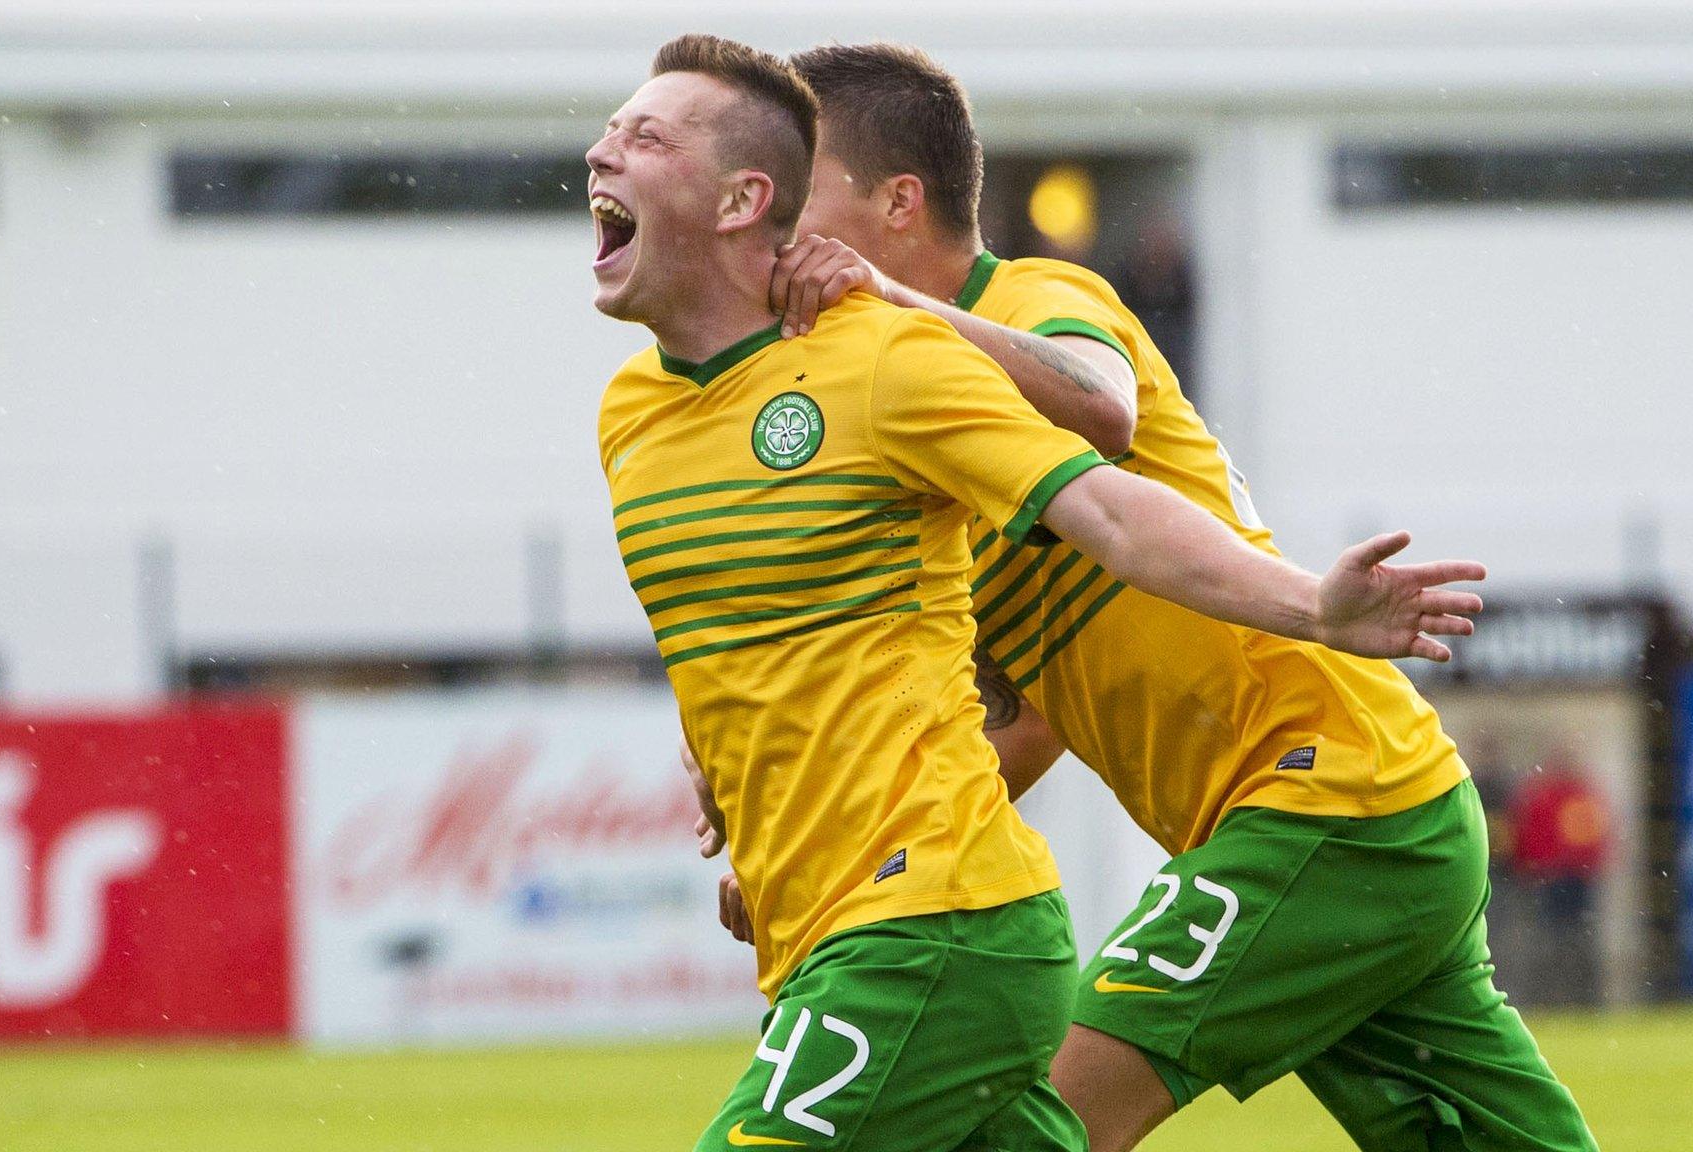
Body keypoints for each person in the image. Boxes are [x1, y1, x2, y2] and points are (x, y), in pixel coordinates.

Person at [592, 35, 1483, 1152]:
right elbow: (999, 704)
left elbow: (1103, 429)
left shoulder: (1015, 304)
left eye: (804, 195)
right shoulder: (735, 410)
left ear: (894, 203)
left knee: (1073, 1097)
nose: (790, 237)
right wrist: (800, 833)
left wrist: (1310, 601)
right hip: (1261, 826)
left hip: (1327, 794)